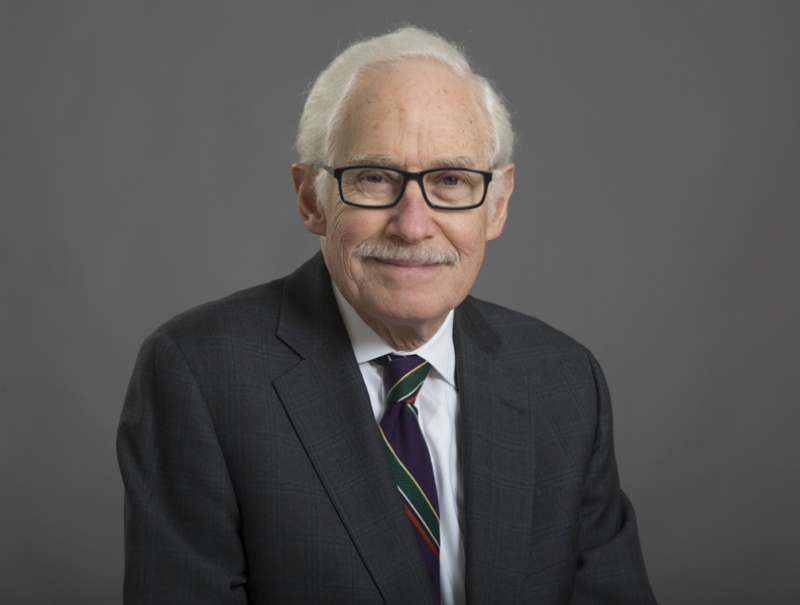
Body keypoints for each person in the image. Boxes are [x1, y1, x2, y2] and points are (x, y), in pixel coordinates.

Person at [117, 26, 656, 604]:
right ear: (311, 199)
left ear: (497, 205)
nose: (413, 225)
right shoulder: (200, 375)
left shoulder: (564, 381)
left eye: (451, 180)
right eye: (375, 178)